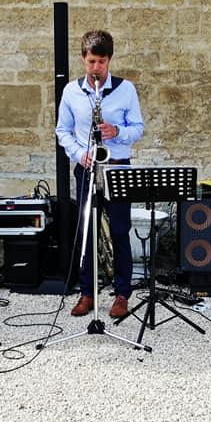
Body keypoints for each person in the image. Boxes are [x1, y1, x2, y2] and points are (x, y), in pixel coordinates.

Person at [56, 30, 144, 318]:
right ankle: (87, 293)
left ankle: (121, 294)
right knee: (86, 233)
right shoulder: (71, 91)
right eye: (91, 61)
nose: (96, 68)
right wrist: (80, 154)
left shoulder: (125, 89)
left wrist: (117, 131)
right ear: (83, 59)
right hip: (87, 167)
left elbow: (138, 129)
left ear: (110, 60)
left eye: (102, 62)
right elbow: (63, 132)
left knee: (120, 231)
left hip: (117, 167)